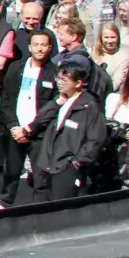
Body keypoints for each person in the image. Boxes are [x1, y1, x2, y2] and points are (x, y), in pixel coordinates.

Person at [0, 27, 60, 209]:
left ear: (49, 48)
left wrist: (32, 128)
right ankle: (5, 202)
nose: (39, 48)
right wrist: (14, 126)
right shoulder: (16, 68)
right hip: (16, 130)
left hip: (39, 133)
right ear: (29, 47)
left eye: (44, 45)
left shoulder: (55, 73)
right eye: (36, 44)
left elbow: (53, 106)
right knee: (11, 170)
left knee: (40, 174)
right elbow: (6, 99)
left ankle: (40, 209)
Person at [25, 63, 107, 202]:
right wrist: (57, 103)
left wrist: (77, 162)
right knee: (40, 205)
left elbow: (95, 139)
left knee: (61, 206)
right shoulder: (60, 99)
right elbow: (40, 121)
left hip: (66, 166)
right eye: (58, 79)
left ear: (78, 83)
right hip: (45, 162)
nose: (59, 83)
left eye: (65, 80)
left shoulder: (89, 106)